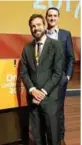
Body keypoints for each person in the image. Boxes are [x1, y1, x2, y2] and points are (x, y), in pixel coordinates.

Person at [20, 14, 64, 145]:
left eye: (38, 25)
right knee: (37, 138)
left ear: (44, 25)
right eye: (32, 26)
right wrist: (33, 90)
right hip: (33, 101)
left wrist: (43, 92)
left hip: (50, 99)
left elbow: (57, 73)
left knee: (53, 138)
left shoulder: (56, 45)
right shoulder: (27, 48)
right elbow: (24, 72)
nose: (36, 28)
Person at [45, 7, 75, 145]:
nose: (52, 18)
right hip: (45, 80)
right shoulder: (42, 34)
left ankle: (61, 138)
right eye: (50, 16)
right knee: (46, 109)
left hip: (60, 80)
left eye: (55, 16)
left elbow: (70, 57)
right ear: (46, 18)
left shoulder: (65, 34)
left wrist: (67, 76)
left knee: (59, 109)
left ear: (58, 18)